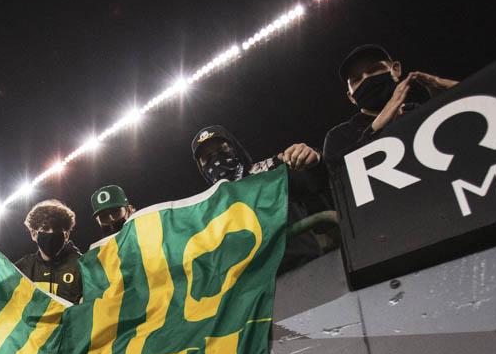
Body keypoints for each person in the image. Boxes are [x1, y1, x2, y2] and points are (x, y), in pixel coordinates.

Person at [191, 125, 335, 272]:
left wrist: (314, 158)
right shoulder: (208, 213)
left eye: (222, 149)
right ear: (201, 169)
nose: (216, 160)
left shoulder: (273, 171)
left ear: (235, 148)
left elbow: (316, 182)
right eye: (207, 158)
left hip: (307, 269)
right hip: (254, 289)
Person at [323, 44, 460, 171]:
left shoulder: (422, 112)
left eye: (374, 70)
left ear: (396, 69)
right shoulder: (340, 136)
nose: (366, 79)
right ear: (351, 97)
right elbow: (338, 176)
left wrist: (455, 95)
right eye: (357, 79)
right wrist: (375, 129)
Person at [14, 199, 83, 303]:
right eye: (45, 229)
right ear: (34, 234)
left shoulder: (82, 265)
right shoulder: (23, 268)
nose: (51, 233)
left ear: (66, 235)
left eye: (57, 229)